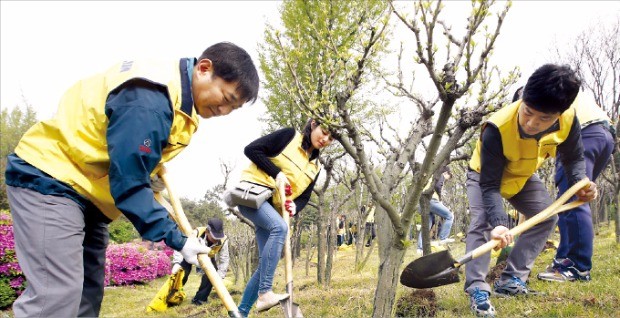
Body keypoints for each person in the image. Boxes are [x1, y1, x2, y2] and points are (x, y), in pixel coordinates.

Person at [4, 42, 259, 317]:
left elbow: (132, 159)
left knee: (86, 297)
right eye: (226, 98)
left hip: (91, 194)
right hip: (51, 178)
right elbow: (128, 183)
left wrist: (149, 174)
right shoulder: (150, 97)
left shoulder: (180, 107)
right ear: (204, 68)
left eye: (233, 108)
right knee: (56, 296)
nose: (224, 111)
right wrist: (179, 240)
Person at [464, 64, 598, 317]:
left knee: (546, 217)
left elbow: (574, 158)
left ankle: (512, 280)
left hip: (522, 175)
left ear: (560, 113)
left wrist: (581, 182)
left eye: (544, 118)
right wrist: (499, 223)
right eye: (528, 112)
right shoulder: (497, 127)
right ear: (523, 98)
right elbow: (490, 185)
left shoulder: (568, 121)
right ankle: (477, 288)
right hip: (485, 175)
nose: (532, 123)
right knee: (482, 224)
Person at [234, 118, 333, 316]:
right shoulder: (289, 136)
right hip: (253, 195)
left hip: (273, 210)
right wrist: (276, 173)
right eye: (324, 131)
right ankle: (264, 293)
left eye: (331, 138)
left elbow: (304, 196)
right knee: (280, 228)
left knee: (266, 262)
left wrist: (295, 206)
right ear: (313, 124)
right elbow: (251, 149)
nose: (326, 139)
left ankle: (241, 313)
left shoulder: (315, 167)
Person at [525, 91, 614, 282]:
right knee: (571, 199)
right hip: (603, 135)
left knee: (573, 197)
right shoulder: (556, 94)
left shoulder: (531, 97)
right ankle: (564, 260)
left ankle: (577, 267)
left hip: (583, 134)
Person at [171, 218, 230, 305]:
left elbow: (224, 259)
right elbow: (181, 245)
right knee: (182, 272)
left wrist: (219, 278)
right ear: (207, 231)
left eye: (218, 237)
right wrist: (177, 262)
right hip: (190, 254)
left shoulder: (224, 240)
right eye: (214, 237)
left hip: (208, 256)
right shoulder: (196, 233)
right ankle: (172, 296)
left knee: (212, 275)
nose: (216, 240)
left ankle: (200, 299)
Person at [416, 166, 455, 255]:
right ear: (446, 173)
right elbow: (438, 186)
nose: (447, 179)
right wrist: (440, 198)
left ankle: (420, 248)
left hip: (422, 201)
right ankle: (443, 238)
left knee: (427, 225)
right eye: (449, 177)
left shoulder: (431, 176)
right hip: (432, 200)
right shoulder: (440, 175)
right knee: (450, 216)